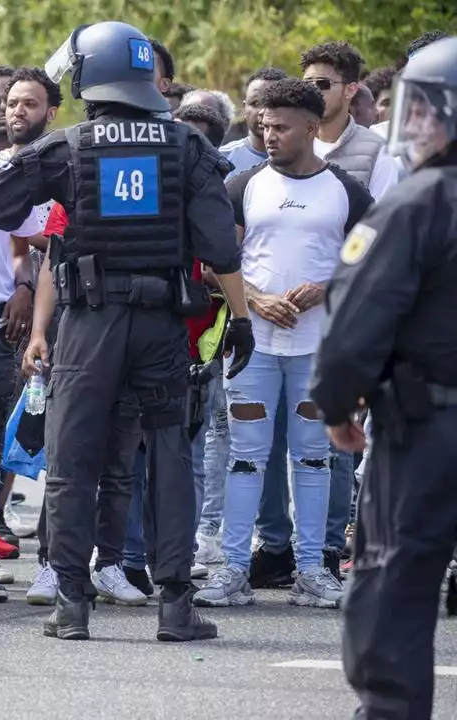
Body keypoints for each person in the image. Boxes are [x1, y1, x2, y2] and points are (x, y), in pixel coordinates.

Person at [0, 22, 255, 642]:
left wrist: (42, 157)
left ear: (87, 78)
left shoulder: (69, 147)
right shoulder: (188, 146)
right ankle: (176, 606)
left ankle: (71, 604)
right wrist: (237, 319)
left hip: (88, 324)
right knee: (170, 457)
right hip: (163, 324)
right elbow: (218, 248)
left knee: (73, 459)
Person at [310, 36, 457, 720]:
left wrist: (337, 403)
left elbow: (356, 320)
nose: (416, 124)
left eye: (425, 109)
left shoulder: (421, 203)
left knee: (395, 585)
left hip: (430, 428)